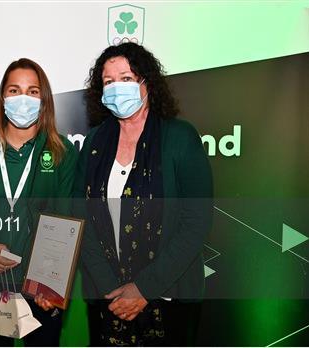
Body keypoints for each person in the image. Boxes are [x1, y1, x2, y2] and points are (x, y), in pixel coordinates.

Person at [75, 42, 213, 346]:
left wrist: (143, 288)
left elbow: (196, 222)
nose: (116, 88)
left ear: (146, 83)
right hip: (107, 297)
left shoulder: (180, 137)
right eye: (108, 82)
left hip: (170, 296)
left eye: (126, 78)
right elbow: (80, 217)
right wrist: (113, 289)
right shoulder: (96, 142)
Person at [0, 58, 78, 346]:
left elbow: (65, 219)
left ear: (43, 100)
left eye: (32, 91)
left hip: (41, 288)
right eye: (14, 90)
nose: (23, 99)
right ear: (2, 98)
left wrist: (50, 280)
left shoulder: (62, 153)